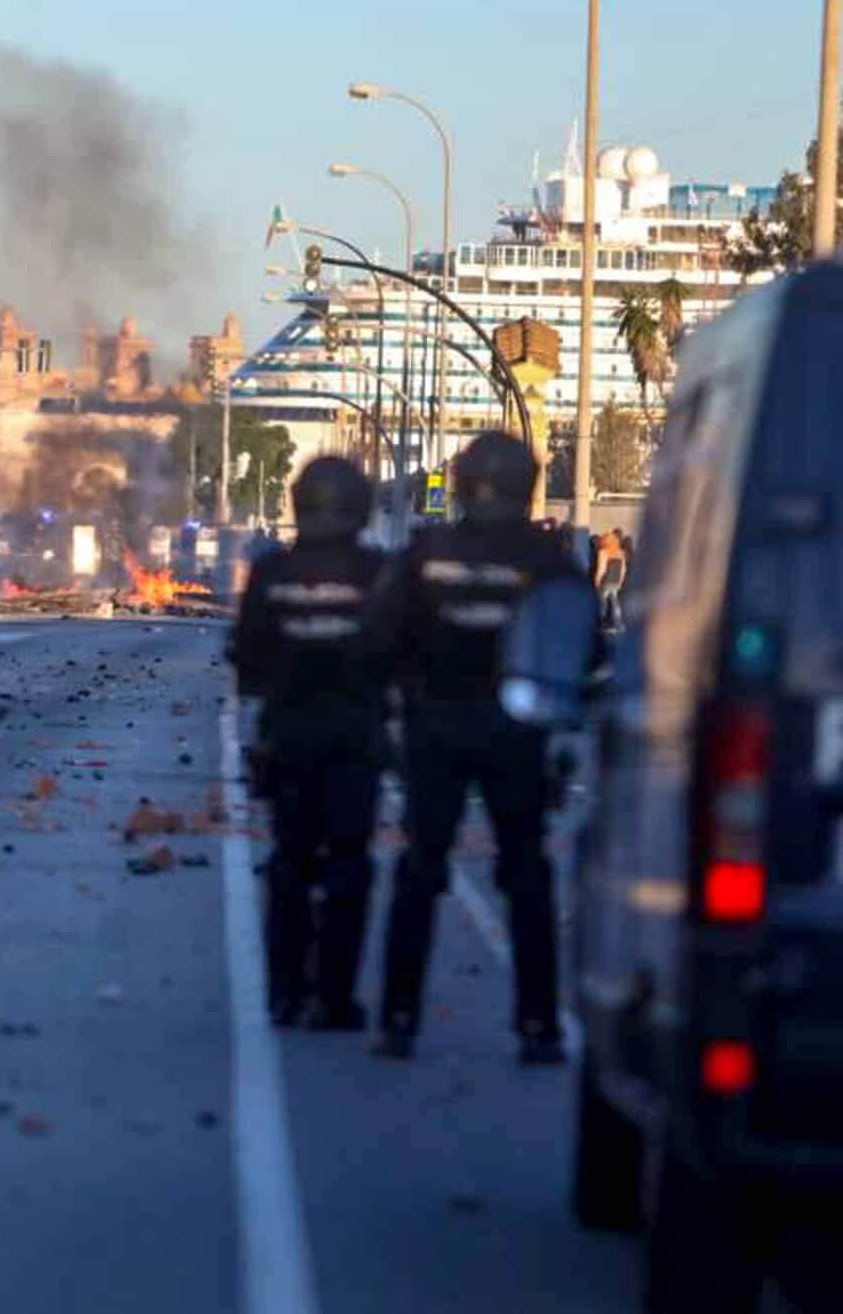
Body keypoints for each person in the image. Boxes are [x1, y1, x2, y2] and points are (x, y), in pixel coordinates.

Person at [367, 430, 583, 1065]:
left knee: (420, 870)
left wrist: (390, 709)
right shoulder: (548, 560)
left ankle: (400, 1021)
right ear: (526, 485)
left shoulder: (425, 554)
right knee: (527, 876)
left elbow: (377, 640)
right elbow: (582, 649)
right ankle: (539, 1027)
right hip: (519, 733)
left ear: (460, 483)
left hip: (434, 730)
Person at [228, 457, 389, 1031]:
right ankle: (335, 996)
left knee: (289, 864)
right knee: (349, 864)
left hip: (289, 736)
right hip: (356, 739)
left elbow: (245, 658)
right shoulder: (379, 573)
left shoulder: (273, 574)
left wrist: (253, 737)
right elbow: (404, 655)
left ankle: (284, 991)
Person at [594, 528, 628, 630]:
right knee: (614, 602)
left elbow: (602, 568)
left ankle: (601, 624)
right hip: (615, 580)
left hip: (605, 580)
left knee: (602, 603)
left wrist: (597, 580)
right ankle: (618, 623)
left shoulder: (603, 552)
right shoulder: (620, 553)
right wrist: (621, 581)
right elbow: (623, 569)